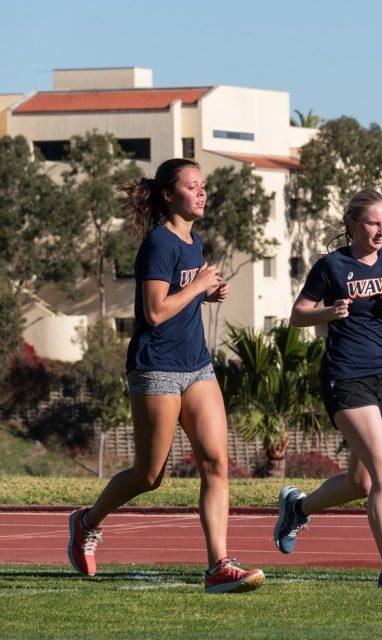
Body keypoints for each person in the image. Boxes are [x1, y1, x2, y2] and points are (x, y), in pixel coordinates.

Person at [67, 158, 264, 594]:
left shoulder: (193, 239)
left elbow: (180, 297)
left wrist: (206, 293)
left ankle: (219, 566)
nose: (202, 193)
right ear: (168, 195)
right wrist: (197, 287)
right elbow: (154, 312)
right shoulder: (159, 243)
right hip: (156, 367)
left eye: (203, 186)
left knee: (216, 463)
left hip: (196, 365)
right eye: (192, 187)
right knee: (149, 476)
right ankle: (86, 522)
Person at [273, 188, 382, 589]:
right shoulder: (332, 265)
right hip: (345, 377)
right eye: (373, 223)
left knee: (361, 482)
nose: (381, 230)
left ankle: (297, 508)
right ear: (352, 225)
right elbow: (297, 315)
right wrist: (329, 310)